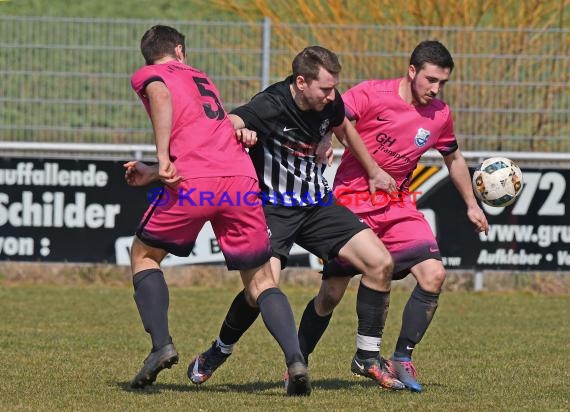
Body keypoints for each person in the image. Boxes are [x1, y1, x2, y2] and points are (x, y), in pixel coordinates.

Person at [126, 46, 404, 390]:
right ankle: (220, 349)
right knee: (260, 289)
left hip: (317, 206)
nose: (333, 96)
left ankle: (367, 357)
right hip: (271, 209)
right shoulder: (268, 105)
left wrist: (370, 168)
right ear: (301, 83)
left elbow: (342, 123)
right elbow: (225, 126)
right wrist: (242, 132)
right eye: (326, 89)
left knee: (380, 262)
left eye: (334, 88)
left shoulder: (328, 103)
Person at [126, 25, 311, 396]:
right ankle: (295, 360)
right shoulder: (200, 77)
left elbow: (161, 97)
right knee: (261, 282)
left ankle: (161, 344)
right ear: (180, 50)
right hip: (240, 180)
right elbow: (204, 134)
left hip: (193, 183)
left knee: (144, 256)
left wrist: (162, 160)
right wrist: (154, 169)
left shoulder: (150, 74)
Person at [322, 40, 490, 392]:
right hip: (353, 201)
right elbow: (333, 118)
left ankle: (402, 357)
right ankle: (298, 363)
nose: (435, 88)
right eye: (430, 79)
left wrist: (472, 205)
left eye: (442, 83)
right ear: (412, 71)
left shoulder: (440, 114)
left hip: (398, 205)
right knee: (330, 294)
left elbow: (454, 159)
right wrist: (323, 139)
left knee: (433, 274)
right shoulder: (371, 93)